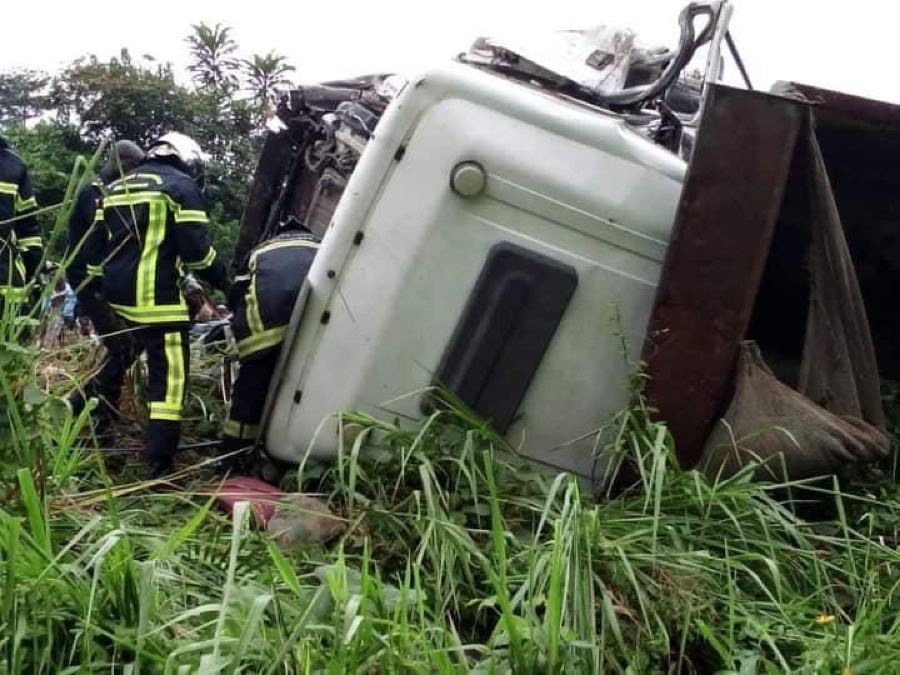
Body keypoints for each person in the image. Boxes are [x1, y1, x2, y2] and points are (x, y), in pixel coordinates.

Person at [88, 132, 230, 478]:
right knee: (169, 385)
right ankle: (159, 463)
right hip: (159, 305)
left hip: (118, 303)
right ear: (186, 160)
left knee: (113, 364)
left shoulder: (119, 186)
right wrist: (229, 283)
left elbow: (97, 244)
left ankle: (85, 425)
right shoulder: (180, 187)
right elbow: (198, 255)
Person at [220, 219, 320, 467]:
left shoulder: (261, 250)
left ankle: (233, 456)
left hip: (262, 334)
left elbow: (236, 296)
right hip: (313, 335)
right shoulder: (325, 247)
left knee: (250, 391)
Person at [66, 140, 145, 433]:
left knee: (125, 346)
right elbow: (104, 237)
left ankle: (93, 409)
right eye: (134, 166)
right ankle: (89, 410)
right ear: (122, 162)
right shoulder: (94, 192)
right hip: (89, 283)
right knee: (122, 346)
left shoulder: (114, 192)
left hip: (105, 283)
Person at [0, 133, 42, 317]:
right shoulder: (13, 165)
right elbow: (29, 229)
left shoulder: (14, 166)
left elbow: (28, 230)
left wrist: (35, 275)